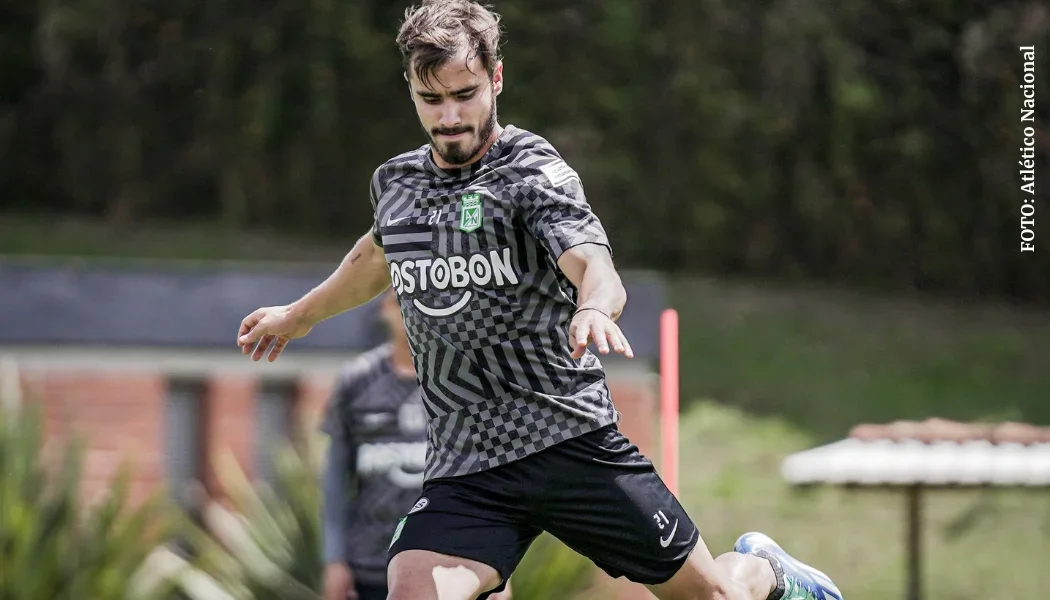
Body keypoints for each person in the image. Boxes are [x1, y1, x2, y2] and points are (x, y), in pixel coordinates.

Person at [237, 2, 844, 600]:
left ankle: (764, 571)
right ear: (411, 90)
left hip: (568, 442)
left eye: (466, 94)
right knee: (413, 590)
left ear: (496, 79)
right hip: (467, 464)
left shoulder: (530, 172)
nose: (449, 117)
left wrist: (592, 308)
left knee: (712, 597)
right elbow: (374, 257)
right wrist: (297, 316)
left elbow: (594, 263)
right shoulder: (396, 183)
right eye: (431, 100)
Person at [319, 289, 512, 600]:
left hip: (451, 563)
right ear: (385, 308)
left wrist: (501, 563)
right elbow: (336, 481)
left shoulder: (464, 378)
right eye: (402, 302)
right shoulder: (356, 380)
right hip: (370, 563)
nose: (413, 312)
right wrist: (334, 560)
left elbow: (492, 477)